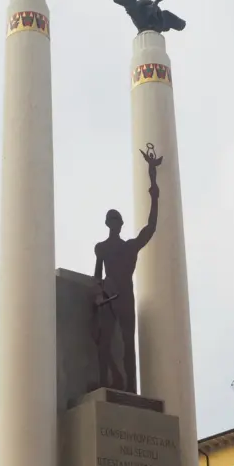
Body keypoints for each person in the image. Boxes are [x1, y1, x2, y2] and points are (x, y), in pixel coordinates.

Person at [93, 146, 161, 393]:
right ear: (108, 224)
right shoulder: (100, 247)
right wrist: (99, 294)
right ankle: (105, 383)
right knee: (104, 343)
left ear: (120, 225)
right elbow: (97, 275)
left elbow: (151, 227)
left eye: (116, 221)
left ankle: (131, 388)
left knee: (128, 343)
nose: (114, 224)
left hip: (124, 298)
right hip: (108, 298)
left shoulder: (130, 247)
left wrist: (153, 186)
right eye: (111, 221)